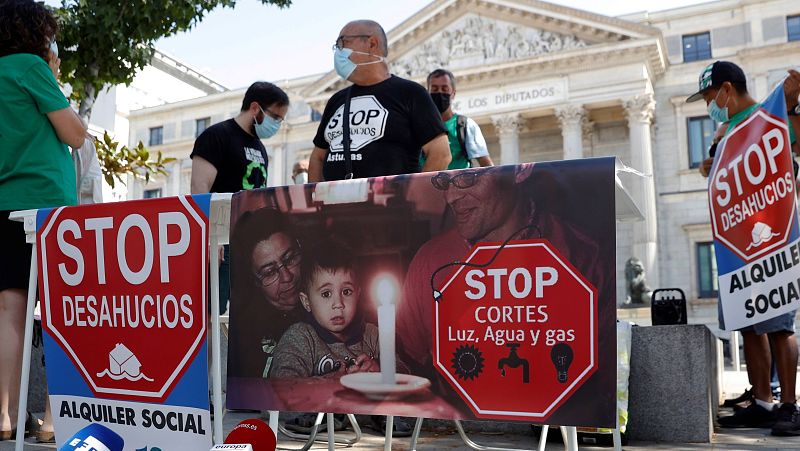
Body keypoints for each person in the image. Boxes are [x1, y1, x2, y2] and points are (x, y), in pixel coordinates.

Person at [397, 165, 604, 374]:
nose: (450, 197)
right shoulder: (430, 261)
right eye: (443, 180)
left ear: (520, 170)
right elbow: (404, 359)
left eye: (468, 177)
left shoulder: (585, 256)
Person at [686, 60, 800, 435]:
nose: (709, 106)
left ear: (726, 90)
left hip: (772, 240)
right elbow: (717, 169)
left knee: (779, 324)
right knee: (749, 325)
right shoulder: (727, 130)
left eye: (709, 97)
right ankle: (763, 403)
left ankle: (789, 406)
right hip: (736, 243)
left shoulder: (770, 114)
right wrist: (710, 163)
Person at [0, 0, 85, 442]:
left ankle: (5, 416)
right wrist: (51, 74)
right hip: (46, 206)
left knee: (9, 310)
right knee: (59, 313)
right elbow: (74, 132)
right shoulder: (32, 67)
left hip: (3, 203)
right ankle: (54, 421)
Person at [308, 20, 451, 182]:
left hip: (391, 205)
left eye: (343, 43)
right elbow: (318, 157)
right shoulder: (337, 100)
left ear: (372, 43)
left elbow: (441, 153)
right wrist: (314, 202)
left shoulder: (410, 93)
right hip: (337, 204)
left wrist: (412, 197)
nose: (338, 51)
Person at [191, 81, 289, 316]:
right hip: (221, 244)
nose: (278, 124)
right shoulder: (216, 136)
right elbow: (199, 187)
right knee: (213, 312)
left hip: (250, 247)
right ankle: (212, 355)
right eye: (275, 116)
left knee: (246, 316)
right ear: (255, 108)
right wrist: (209, 237)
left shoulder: (261, 148)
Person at [270, 238, 383, 378]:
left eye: (346, 292)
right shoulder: (300, 338)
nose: (338, 303)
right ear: (306, 302)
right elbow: (282, 383)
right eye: (326, 294)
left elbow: (403, 370)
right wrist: (327, 383)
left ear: (358, 295)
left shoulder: (373, 336)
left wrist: (380, 370)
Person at [228, 207, 305, 378]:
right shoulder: (245, 341)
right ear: (255, 283)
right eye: (270, 272)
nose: (287, 277)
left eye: (290, 258)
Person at [425, 68, 493, 169]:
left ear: (453, 94)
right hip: (426, 184)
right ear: (428, 93)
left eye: (445, 89)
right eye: (434, 89)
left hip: (458, 184)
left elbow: (486, 164)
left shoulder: (466, 125)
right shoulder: (419, 125)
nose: (439, 93)